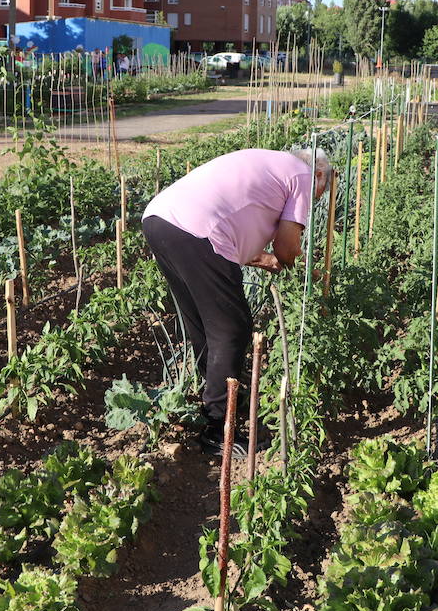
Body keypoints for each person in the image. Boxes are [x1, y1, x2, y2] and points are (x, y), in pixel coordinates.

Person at [142, 147, 333, 457]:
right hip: (195, 229)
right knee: (233, 329)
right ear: (320, 175)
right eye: (321, 193)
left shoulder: (272, 164)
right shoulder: (304, 174)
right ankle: (218, 430)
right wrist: (294, 264)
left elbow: (232, 230)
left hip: (160, 219)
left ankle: (215, 405)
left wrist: (268, 259)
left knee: (205, 325)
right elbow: (287, 246)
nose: (317, 200)